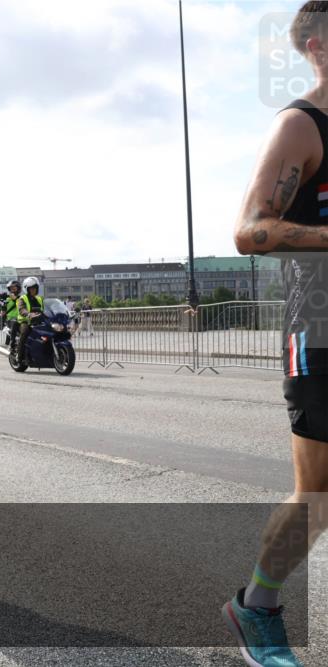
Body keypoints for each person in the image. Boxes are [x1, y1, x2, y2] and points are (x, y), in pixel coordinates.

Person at [223, 5, 328, 666]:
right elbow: (249, 229)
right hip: (319, 331)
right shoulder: (301, 125)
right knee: (318, 492)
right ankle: (256, 606)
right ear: (317, 47)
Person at [14, 277, 43, 364]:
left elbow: (45, 309)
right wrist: (28, 314)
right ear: (27, 289)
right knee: (25, 331)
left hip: (37, 322)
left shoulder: (39, 299)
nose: (33, 290)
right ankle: (19, 356)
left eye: (35, 288)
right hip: (25, 321)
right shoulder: (22, 298)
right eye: (31, 288)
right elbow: (22, 309)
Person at [1, 280, 21, 355]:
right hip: (11, 321)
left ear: (18, 289)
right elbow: (3, 312)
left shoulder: (22, 298)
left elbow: (21, 305)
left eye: (14, 288)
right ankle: (11, 346)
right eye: (11, 289)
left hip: (21, 319)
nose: (13, 290)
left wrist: (15, 299)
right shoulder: (7, 299)